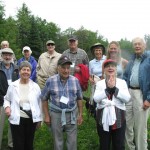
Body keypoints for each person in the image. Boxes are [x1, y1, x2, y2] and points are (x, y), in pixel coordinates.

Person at [41, 56, 83, 150]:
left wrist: (80, 114)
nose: (66, 70)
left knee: (72, 141)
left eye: (68, 68)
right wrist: (47, 115)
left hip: (72, 114)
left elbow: (79, 98)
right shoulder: (50, 81)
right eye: (63, 68)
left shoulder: (75, 81)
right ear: (58, 68)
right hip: (56, 114)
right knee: (57, 140)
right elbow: (44, 98)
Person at [3, 61, 42, 150]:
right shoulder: (13, 86)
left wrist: (39, 119)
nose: (26, 72)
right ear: (20, 71)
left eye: (28, 70)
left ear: (30, 72)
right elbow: (6, 99)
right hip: (17, 118)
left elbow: (39, 103)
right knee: (18, 144)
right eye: (24, 69)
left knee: (29, 144)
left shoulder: (35, 86)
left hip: (31, 119)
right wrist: (7, 107)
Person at [93, 59, 131, 150]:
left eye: (113, 65)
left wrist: (114, 89)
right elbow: (96, 98)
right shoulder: (99, 83)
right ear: (104, 70)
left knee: (119, 145)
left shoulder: (122, 82)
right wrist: (107, 90)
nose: (110, 67)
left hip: (119, 117)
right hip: (102, 117)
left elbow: (127, 98)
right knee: (104, 145)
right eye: (107, 66)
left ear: (116, 68)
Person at [123, 37, 150, 150]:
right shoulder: (132, 60)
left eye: (139, 44)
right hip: (129, 93)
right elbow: (125, 76)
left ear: (144, 46)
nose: (137, 46)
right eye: (135, 44)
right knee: (127, 124)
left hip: (141, 95)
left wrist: (148, 99)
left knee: (140, 127)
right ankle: (130, 147)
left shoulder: (148, 59)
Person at [0, 48, 19, 150]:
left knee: (13, 124)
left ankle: (11, 145)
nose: (7, 57)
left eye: (9, 55)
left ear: (12, 56)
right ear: (2, 56)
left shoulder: (16, 68)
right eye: (5, 55)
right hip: (1, 101)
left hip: (13, 101)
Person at [88, 43, 106, 115]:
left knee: (104, 99)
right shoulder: (91, 62)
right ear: (93, 52)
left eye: (99, 50)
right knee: (96, 99)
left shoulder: (106, 58)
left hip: (105, 82)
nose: (98, 52)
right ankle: (97, 115)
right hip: (95, 84)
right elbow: (89, 75)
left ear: (102, 51)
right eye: (96, 50)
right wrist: (90, 79)